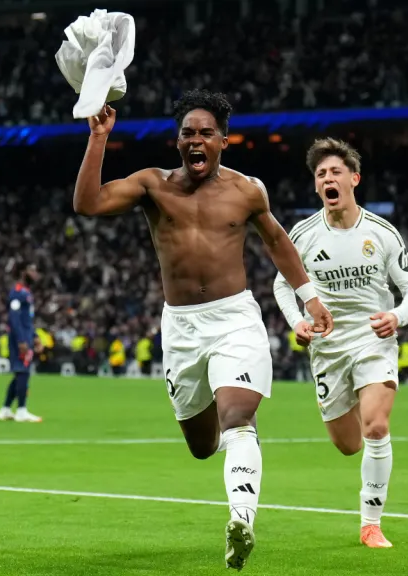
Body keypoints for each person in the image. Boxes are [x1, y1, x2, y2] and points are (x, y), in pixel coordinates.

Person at [74, 89, 333, 571]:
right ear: (177, 142)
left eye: (205, 133)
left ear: (223, 141)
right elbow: (88, 203)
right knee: (201, 445)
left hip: (235, 319)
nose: (196, 140)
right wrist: (99, 138)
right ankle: (228, 440)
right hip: (182, 330)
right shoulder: (153, 185)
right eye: (188, 133)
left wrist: (310, 297)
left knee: (238, 417)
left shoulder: (247, 191)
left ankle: (241, 518)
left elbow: (277, 242)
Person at [273, 138, 408, 549]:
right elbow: (282, 287)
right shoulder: (302, 234)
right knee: (347, 444)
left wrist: (396, 316)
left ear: (354, 178)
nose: (327, 178)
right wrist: (298, 321)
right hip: (328, 346)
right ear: (317, 187)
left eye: (335, 171)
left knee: (376, 426)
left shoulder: (382, 233)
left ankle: (370, 524)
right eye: (321, 174)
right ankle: (356, 393)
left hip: (373, 339)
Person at [0, 262, 43, 423]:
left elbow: (27, 320)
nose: (36, 274)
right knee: (23, 372)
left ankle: (5, 409)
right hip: (20, 339)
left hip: (26, 336)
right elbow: (14, 318)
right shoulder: (17, 293)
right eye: (33, 270)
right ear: (23, 272)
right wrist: (22, 341)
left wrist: (35, 336)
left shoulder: (26, 293)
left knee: (20, 373)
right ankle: (22, 410)